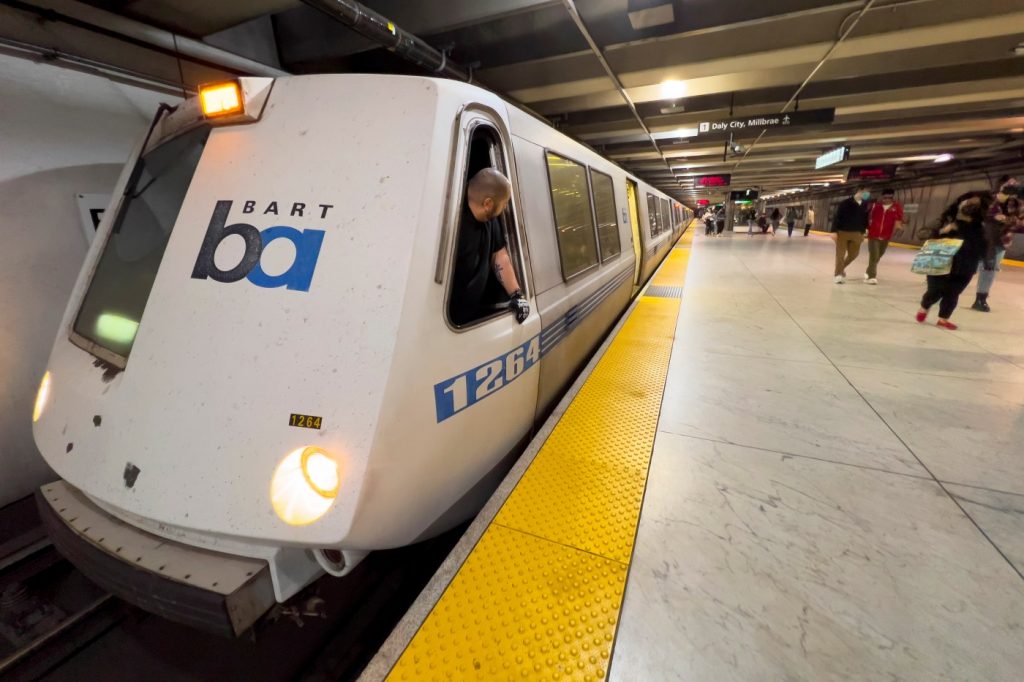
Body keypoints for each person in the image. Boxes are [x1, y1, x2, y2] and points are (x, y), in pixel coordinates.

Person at [449, 168, 529, 326]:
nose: (505, 207)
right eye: (504, 203)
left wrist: (516, 295)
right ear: (488, 203)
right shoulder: (452, 224)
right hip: (451, 322)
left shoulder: (490, 219)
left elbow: (498, 255)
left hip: (472, 315)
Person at [916, 193, 993, 329]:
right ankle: (925, 306)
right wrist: (942, 231)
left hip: (965, 266)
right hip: (941, 262)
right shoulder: (946, 220)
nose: (970, 207)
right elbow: (921, 234)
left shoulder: (981, 229)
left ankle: (943, 319)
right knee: (935, 291)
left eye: (975, 205)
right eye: (968, 203)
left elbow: (984, 247)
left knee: (953, 293)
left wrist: (987, 260)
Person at [972, 177, 1021, 311]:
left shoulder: (1016, 204)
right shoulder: (988, 200)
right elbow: (987, 216)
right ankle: (944, 286)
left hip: (1001, 241)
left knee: (989, 270)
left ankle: (980, 299)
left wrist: (1008, 220)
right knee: (971, 266)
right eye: (1009, 186)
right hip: (983, 239)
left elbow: (1018, 222)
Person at [864, 188, 904, 284]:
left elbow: (899, 219)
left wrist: (899, 227)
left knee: (879, 255)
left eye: (889, 198)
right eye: (885, 197)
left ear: (892, 197)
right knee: (874, 255)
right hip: (873, 235)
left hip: (886, 236)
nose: (887, 200)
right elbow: (868, 217)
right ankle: (872, 277)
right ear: (882, 197)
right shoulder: (876, 206)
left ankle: (868, 271)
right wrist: (866, 228)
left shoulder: (896, 207)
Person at [832, 187, 871, 283]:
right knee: (840, 255)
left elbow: (865, 218)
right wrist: (833, 231)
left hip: (857, 233)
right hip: (843, 232)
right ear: (860, 191)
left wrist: (865, 230)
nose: (868, 194)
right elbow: (837, 217)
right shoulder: (845, 203)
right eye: (867, 192)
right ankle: (838, 275)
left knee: (854, 254)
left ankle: (841, 268)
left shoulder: (865, 204)